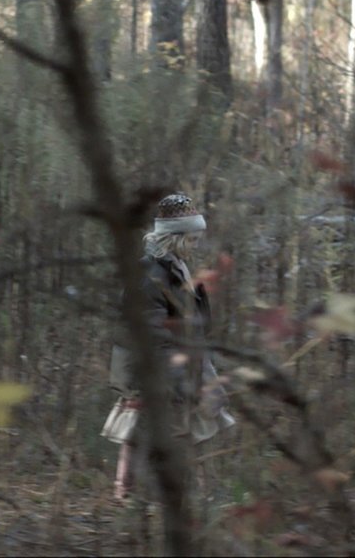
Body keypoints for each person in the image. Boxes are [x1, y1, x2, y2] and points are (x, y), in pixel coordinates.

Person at [103, 193, 236, 502]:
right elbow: (152, 334)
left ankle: (183, 499)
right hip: (157, 370)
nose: (196, 244)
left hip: (182, 365)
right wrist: (176, 381)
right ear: (174, 238)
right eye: (192, 238)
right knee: (141, 432)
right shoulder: (150, 274)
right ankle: (130, 498)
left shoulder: (176, 267)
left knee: (183, 431)